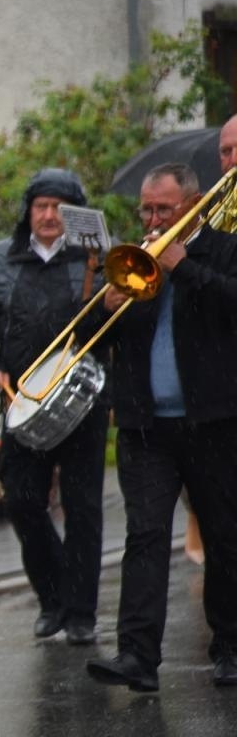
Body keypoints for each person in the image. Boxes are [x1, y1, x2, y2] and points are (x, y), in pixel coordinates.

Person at [86, 162, 237, 692]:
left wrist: (183, 265)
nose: (152, 219)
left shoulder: (223, 250)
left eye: (163, 209)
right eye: (146, 209)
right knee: (145, 537)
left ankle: (231, 647)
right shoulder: (132, 259)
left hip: (215, 421)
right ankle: (137, 655)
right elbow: (90, 336)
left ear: (193, 205)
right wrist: (101, 304)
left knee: (224, 534)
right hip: (145, 427)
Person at [0, 168, 107, 646]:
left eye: (59, 207)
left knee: (84, 509)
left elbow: (119, 321)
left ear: (76, 213)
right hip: (21, 403)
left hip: (82, 403)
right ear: (28, 211)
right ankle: (53, 598)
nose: (48, 216)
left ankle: (81, 613)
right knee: (23, 501)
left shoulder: (96, 258)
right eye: (40, 206)